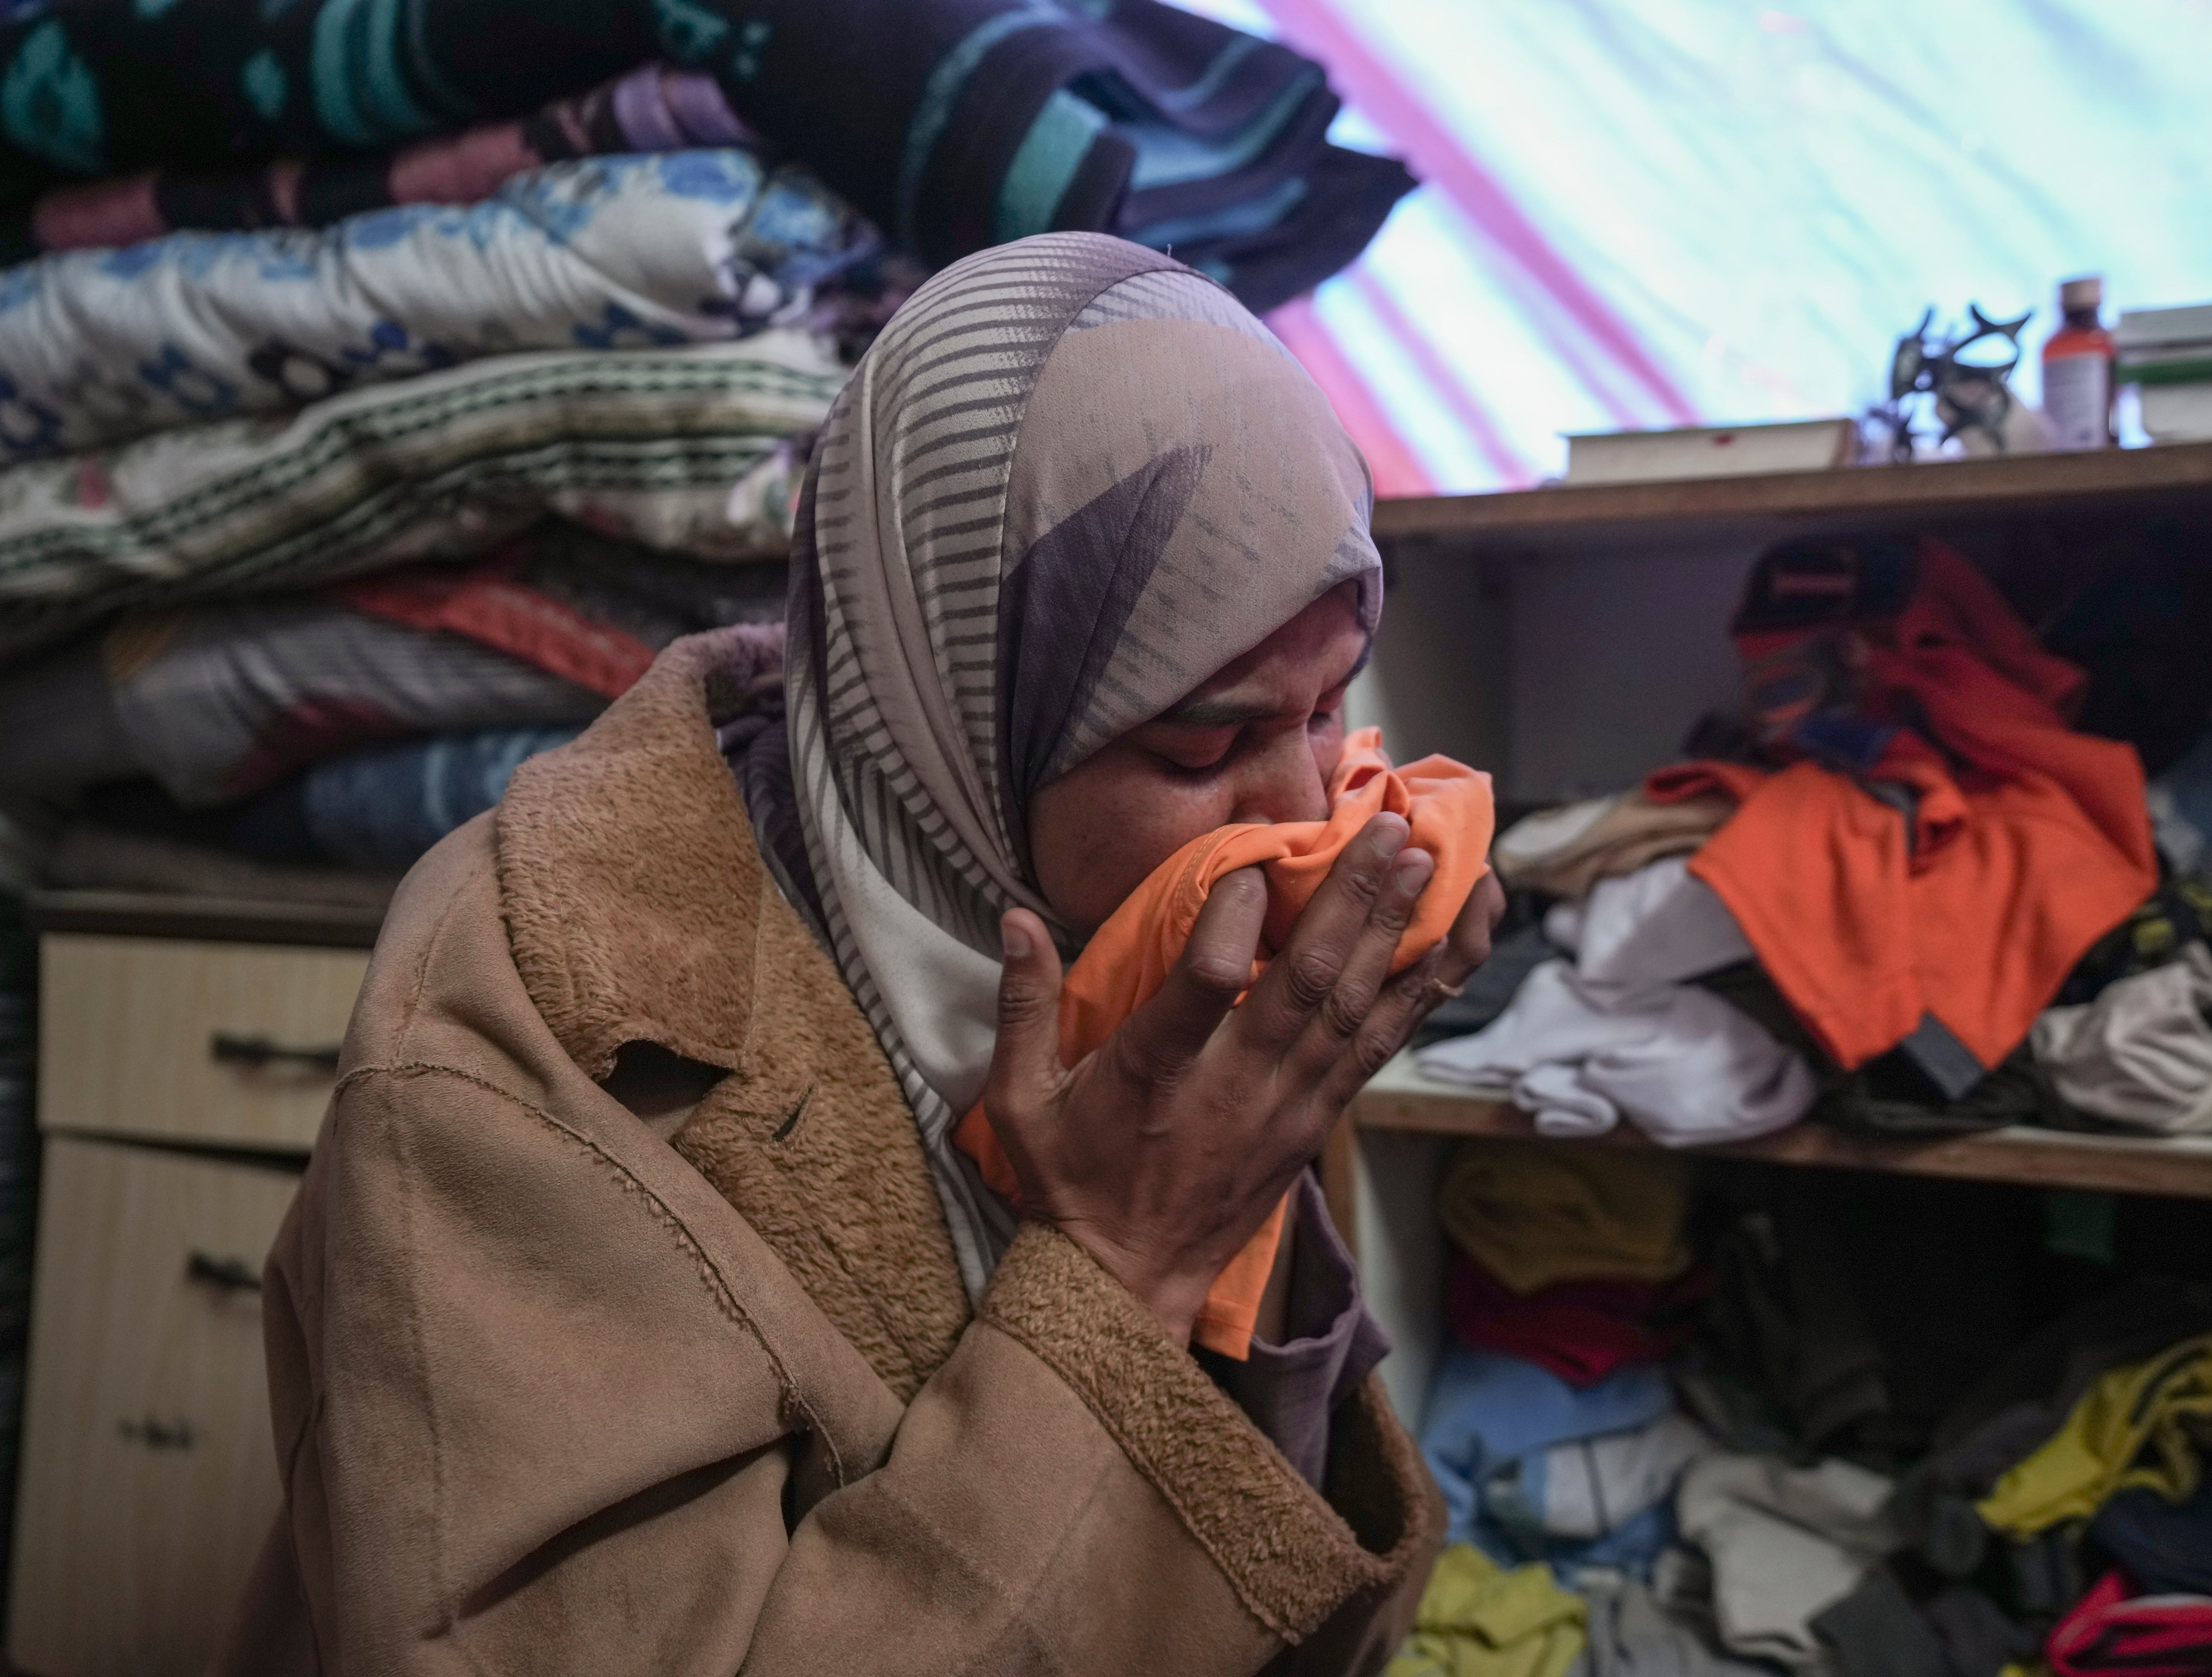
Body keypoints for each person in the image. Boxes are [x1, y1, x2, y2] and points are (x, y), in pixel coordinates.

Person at [208, 233, 1503, 1675]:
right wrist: (1131, 1269)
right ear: (962, 706)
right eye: (1211, 741)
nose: (1313, 809)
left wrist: (1247, 1215)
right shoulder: (526, 1038)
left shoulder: (1147, 976)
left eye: (1330, 708)